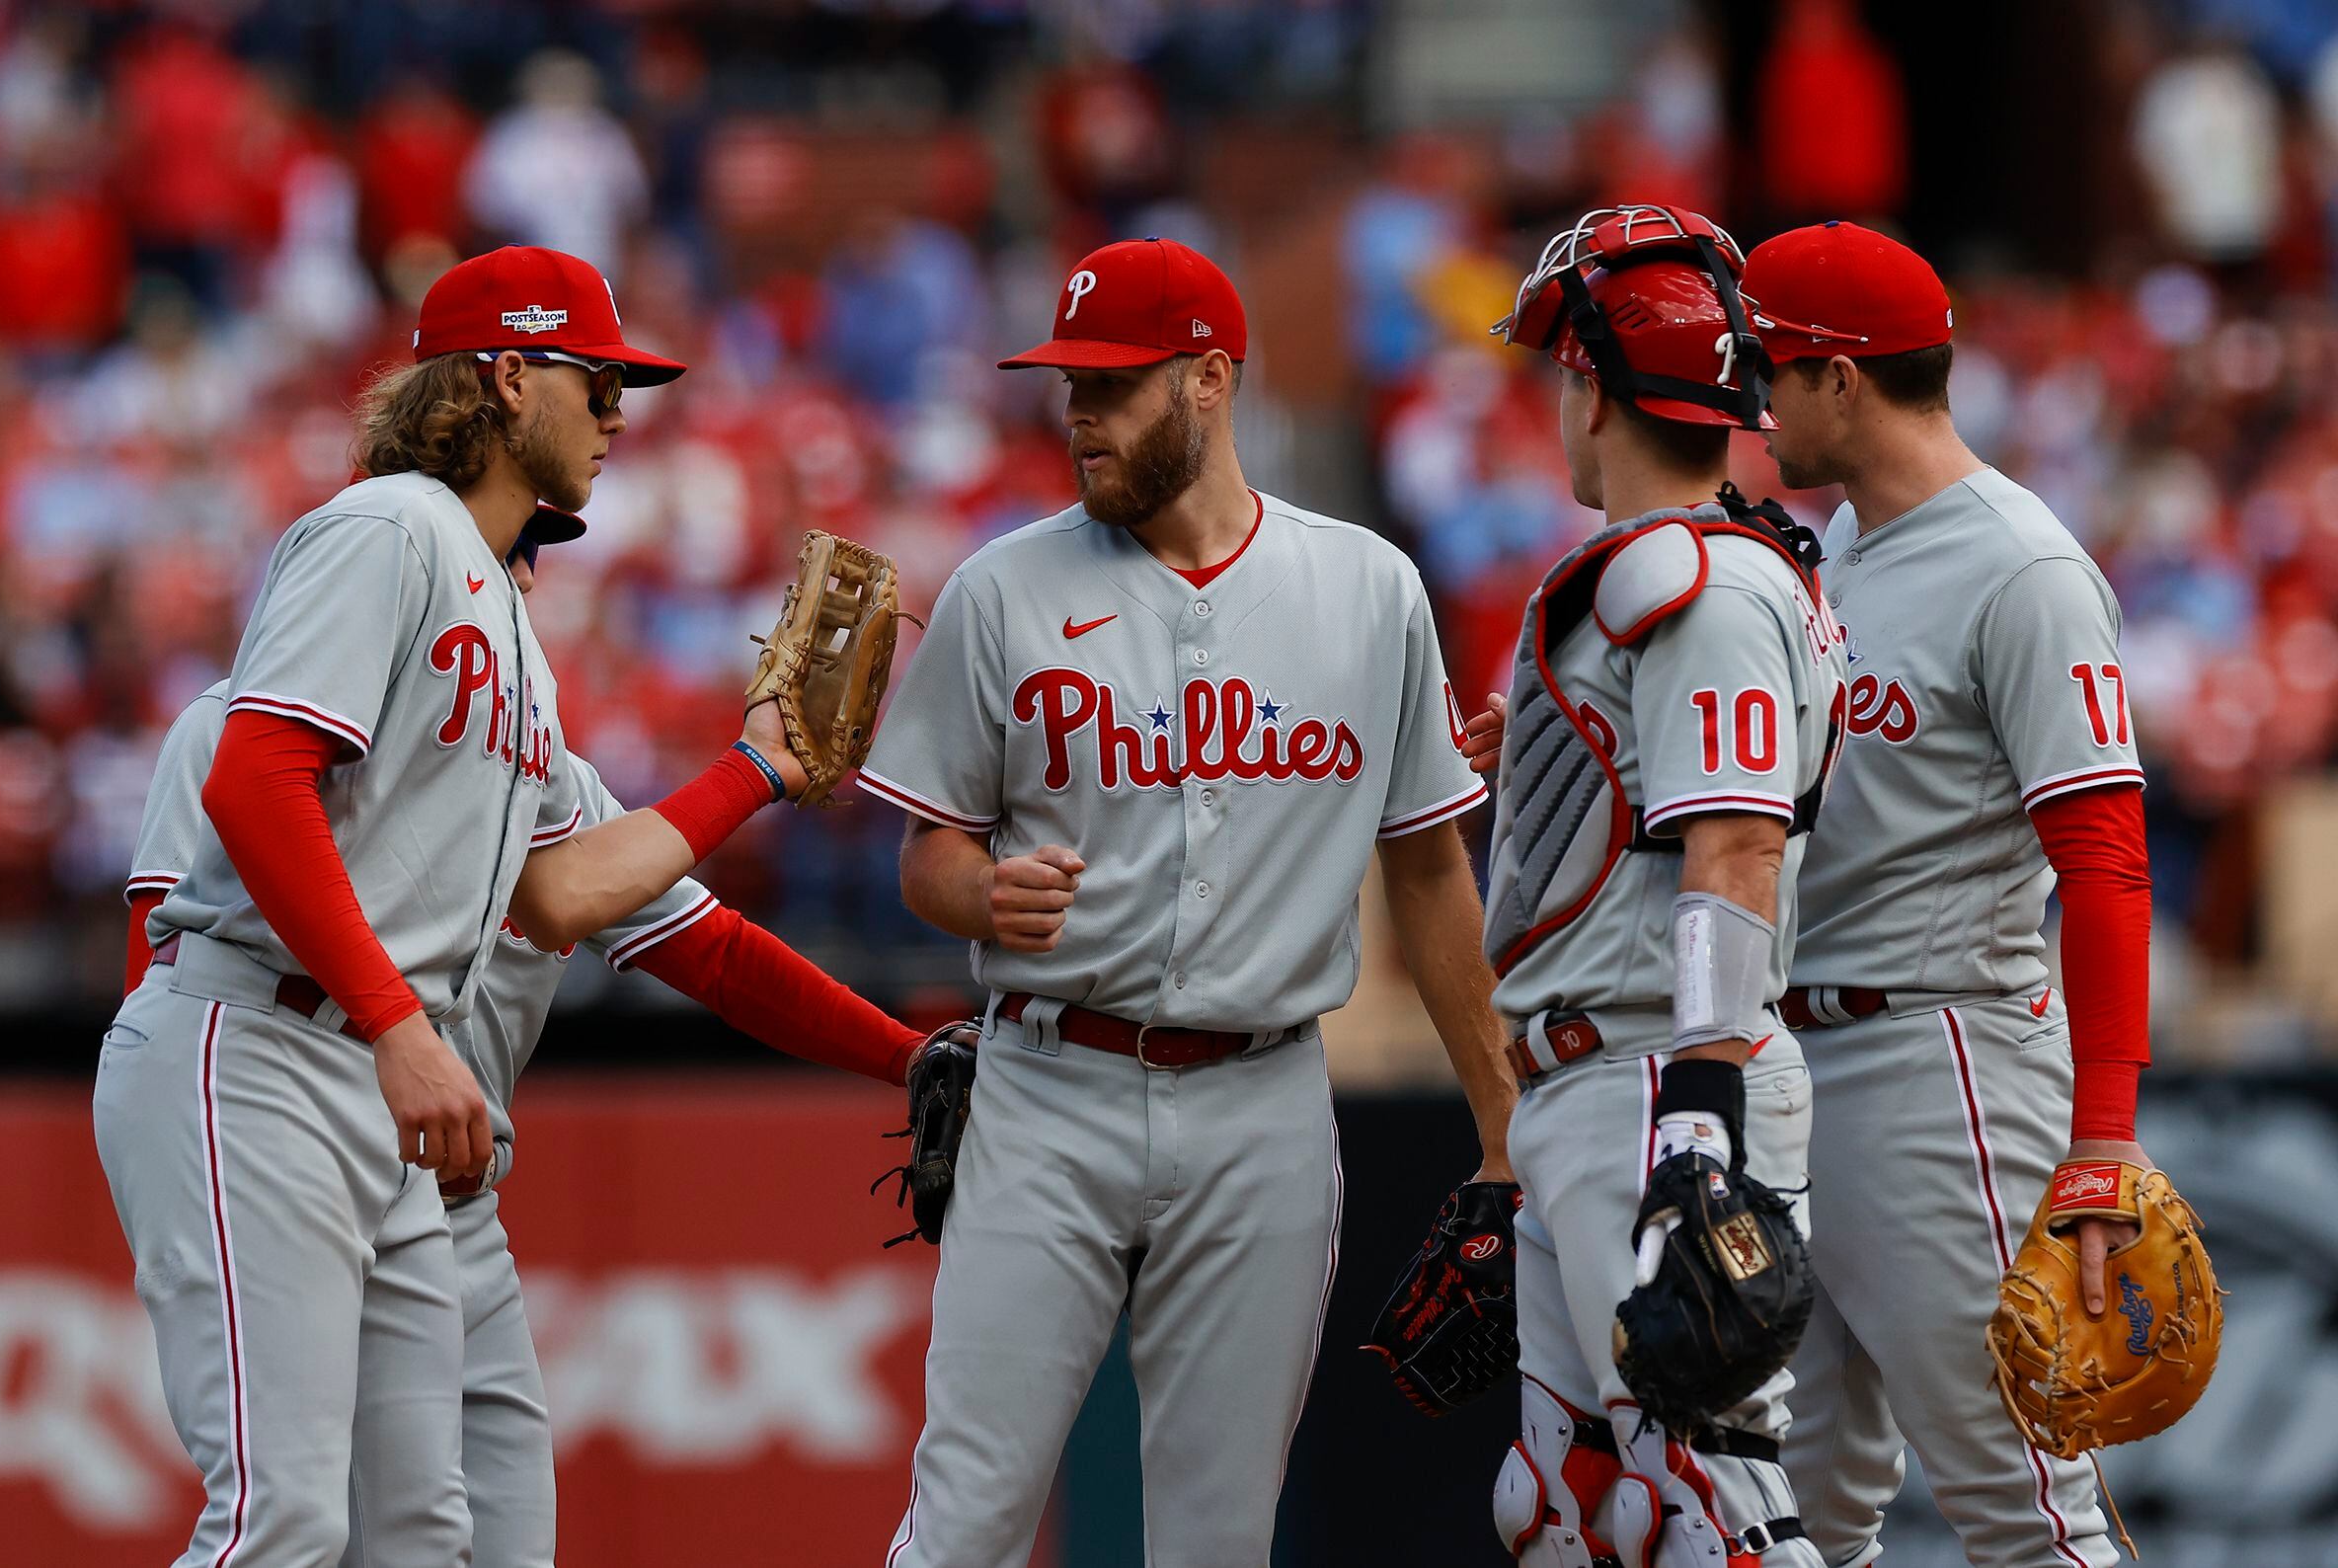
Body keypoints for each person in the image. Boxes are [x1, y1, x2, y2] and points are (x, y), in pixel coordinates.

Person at [94, 244, 817, 1567]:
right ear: (504, 375)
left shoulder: (511, 631)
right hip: (262, 1041)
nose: (617, 415)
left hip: (373, 1082)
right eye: (593, 382)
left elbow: (561, 891)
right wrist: (395, 1024)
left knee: (427, 1539)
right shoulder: (393, 526)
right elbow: (258, 783)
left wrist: (755, 771)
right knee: (281, 1521)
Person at [854, 236, 1517, 1566]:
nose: (1078, 415)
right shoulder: (1001, 590)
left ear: (1209, 381)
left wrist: (1505, 1133)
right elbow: (925, 856)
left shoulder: (1367, 588)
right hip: (1050, 1088)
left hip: (1263, 1100)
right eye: (1069, 386)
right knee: (969, 1518)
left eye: (1114, 385)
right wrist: (982, 894)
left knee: (1217, 1540)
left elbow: (1432, 867)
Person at [121, 518, 934, 1568]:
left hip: (442, 1198)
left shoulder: (532, 768)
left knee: (469, 1547)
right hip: (285, 1134)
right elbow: (171, 980)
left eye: (520, 560)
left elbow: (716, 952)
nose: (507, 580)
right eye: (495, 557)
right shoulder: (236, 724)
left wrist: (906, 1055)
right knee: (285, 1527)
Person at [1741, 220, 2138, 1568]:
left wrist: (2105, 1140)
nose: (1756, 396)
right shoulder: (1835, 552)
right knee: (1799, 1508)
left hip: (1939, 1056)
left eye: (1773, 366)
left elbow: (2105, 860)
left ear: (1843, 379)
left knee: (2026, 1514)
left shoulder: (2019, 565)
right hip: (1797, 1061)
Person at [1459, 204, 1845, 1567]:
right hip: (1591, 1076)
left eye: (1564, 366)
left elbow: (1735, 847)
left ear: (1595, 379)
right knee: (1567, 1508)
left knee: (1705, 1503)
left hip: (1660, 1077)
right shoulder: (1691, 568)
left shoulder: (1703, 580)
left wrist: (1698, 1114)